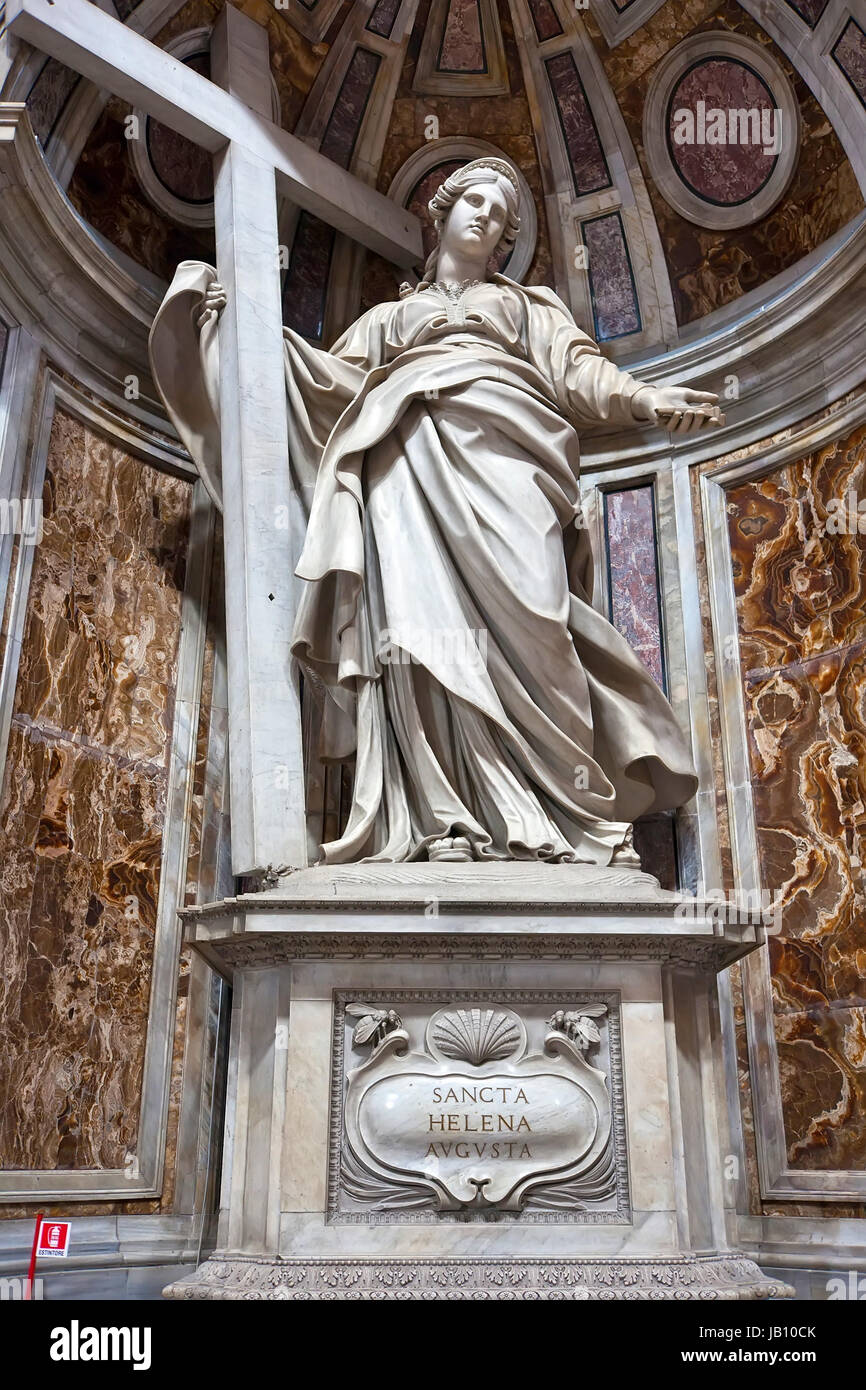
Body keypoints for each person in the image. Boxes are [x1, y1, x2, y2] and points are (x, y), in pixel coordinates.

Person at [150, 157, 722, 868]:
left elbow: (580, 372)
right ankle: (443, 819)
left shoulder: (526, 306)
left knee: (540, 624)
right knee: (418, 638)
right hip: (404, 469)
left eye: (501, 213)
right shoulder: (390, 320)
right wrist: (238, 330)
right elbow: (326, 387)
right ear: (442, 213)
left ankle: (570, 818)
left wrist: (645, 400)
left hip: (512, 465)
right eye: (473, 201)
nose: (485, 216)